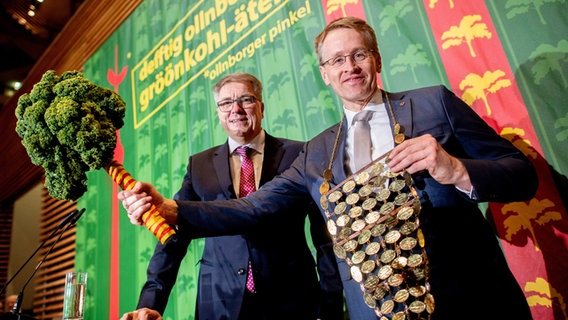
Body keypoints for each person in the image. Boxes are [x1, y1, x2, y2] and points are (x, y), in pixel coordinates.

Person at [119, 17, 538, 320]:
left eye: (358, 54)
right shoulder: (318, 152)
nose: (349, 67)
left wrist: (456, 171)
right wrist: (172, 211)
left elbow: (522, 174)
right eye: (337, 60)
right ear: (324, 74)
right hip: (373, 310)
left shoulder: (434, 104)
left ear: (375, 59)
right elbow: (252, 208)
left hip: (469, 298)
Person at [120, 72, 344, 320]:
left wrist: (331, 306)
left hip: (292, 298)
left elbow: (325, 237)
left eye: (246, 100)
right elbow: (172, 236)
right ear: (218, 112)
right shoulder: (200, 165)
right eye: (226, 103)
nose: (235, 109)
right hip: (218, 302)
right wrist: (151, 303)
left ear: (261, 107)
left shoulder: (298, 153)